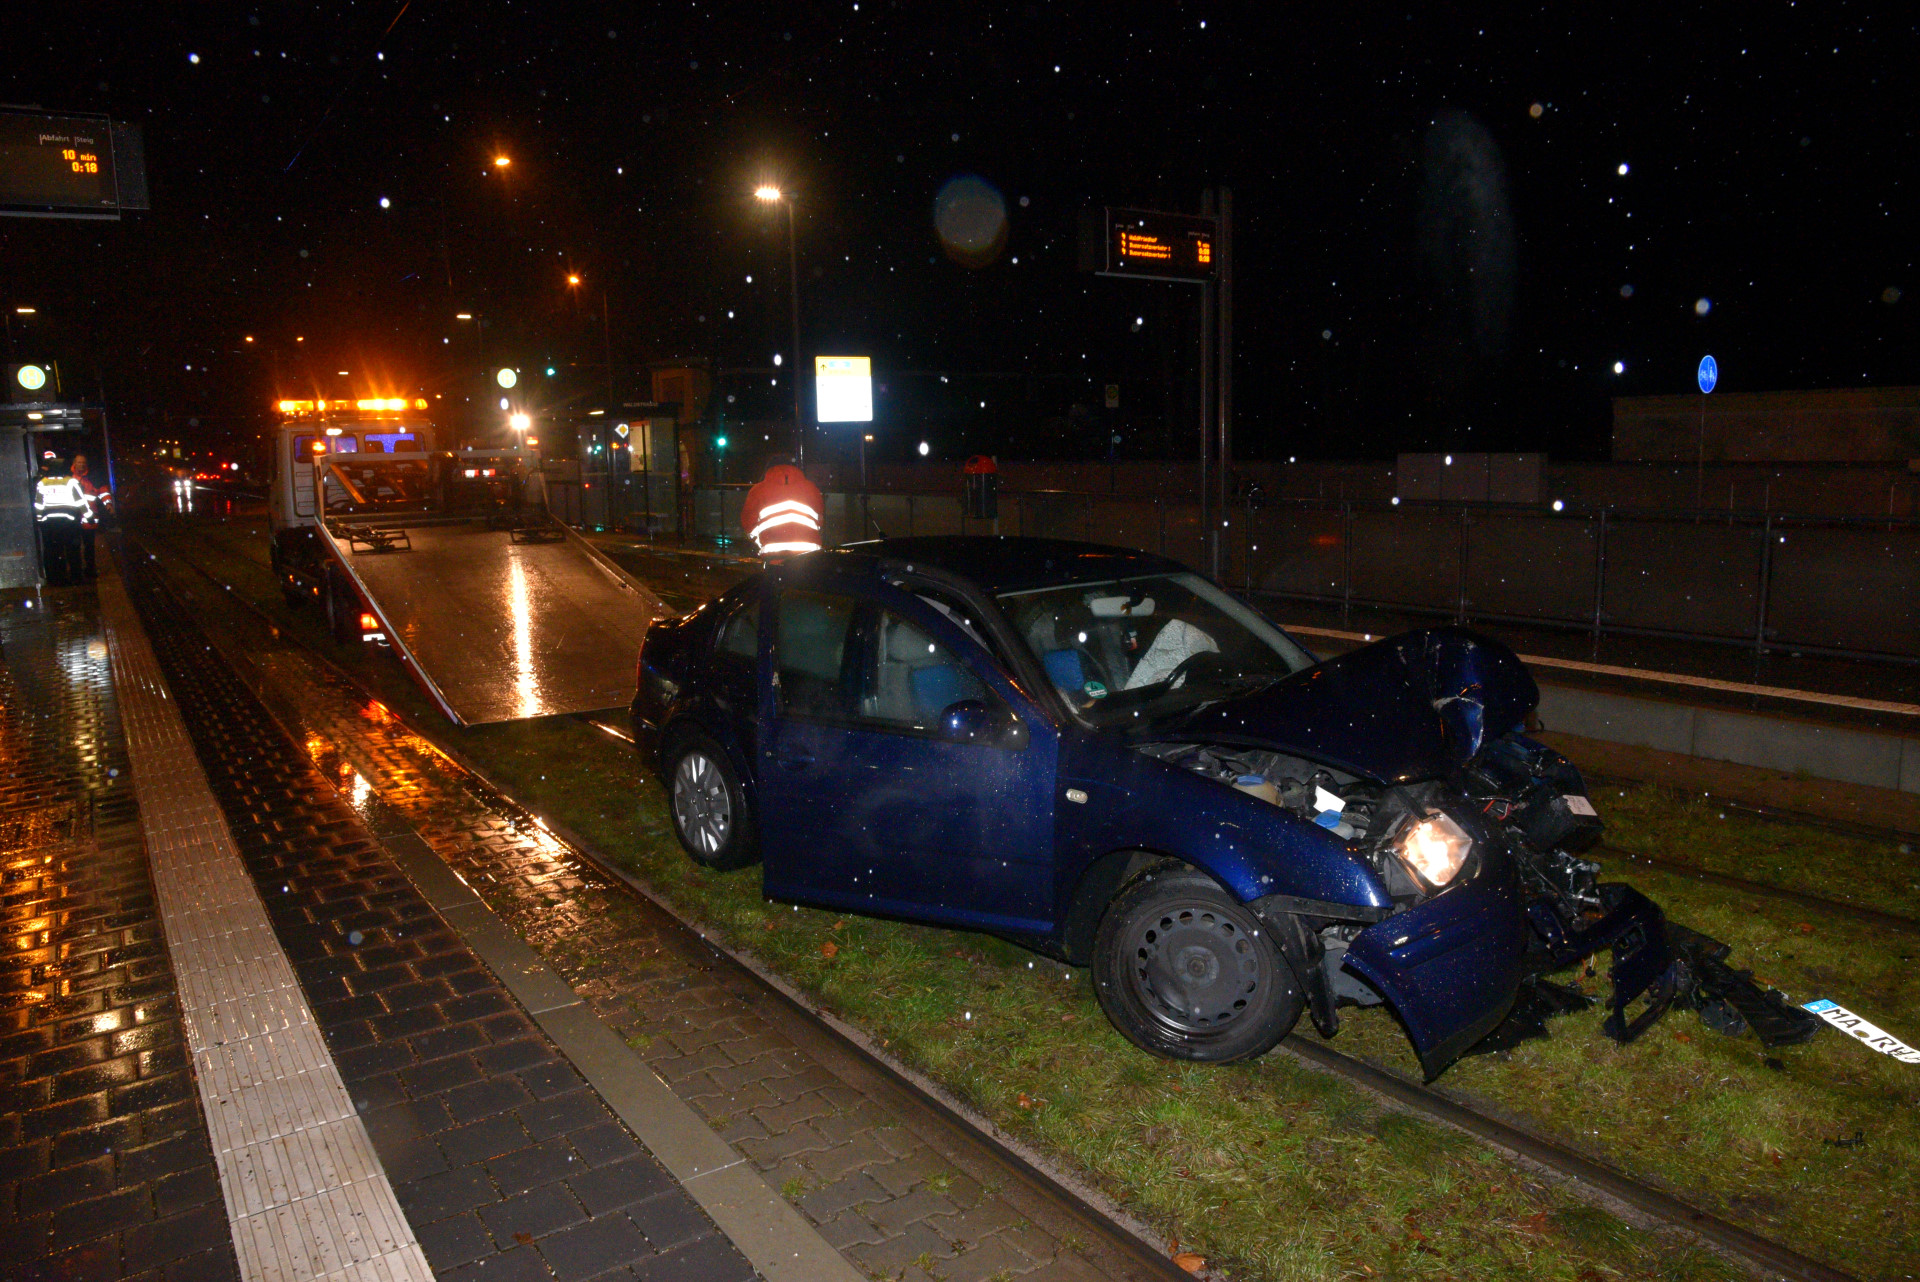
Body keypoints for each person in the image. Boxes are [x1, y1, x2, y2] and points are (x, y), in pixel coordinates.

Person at [741, 462, 824, 559]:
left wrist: (762, 541)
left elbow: (748, 523)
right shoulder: (812, 488)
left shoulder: (757, 490)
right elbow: (820, 520)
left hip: (773, 555)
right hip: (809, 555)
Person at [32, 456, 88, 585]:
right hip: (69, 523)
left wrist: (39, 520)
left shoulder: (43, 483)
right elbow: (81, 502)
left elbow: (38, 505)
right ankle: (76, 578)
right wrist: (88, 516)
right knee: (72, 551)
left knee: (52, 552)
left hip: (49, 524)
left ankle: (55, 579)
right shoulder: (71, 482)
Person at [71, 453, 109, 578]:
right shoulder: (69, 479)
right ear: (74, 463)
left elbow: (103, 492)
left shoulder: (93, 479)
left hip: (89, 518)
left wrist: (108, 504)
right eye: (79, 462)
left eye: (83, 462)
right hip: (73, 519)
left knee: (89, 547)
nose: (81, 465)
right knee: (74, 547)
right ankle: (76, 572)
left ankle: (90, 570)